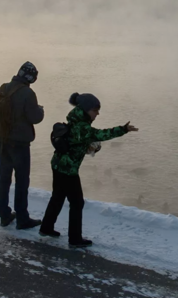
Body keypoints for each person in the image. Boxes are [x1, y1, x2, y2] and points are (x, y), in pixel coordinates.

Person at [40, 92, 138, 247]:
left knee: (57, 197)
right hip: (68, 169)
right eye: (95, 110)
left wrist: (88, 147)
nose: (97, 113)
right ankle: (75, 239)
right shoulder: (82, 127)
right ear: (86, 110)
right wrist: (123, 129)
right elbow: (101, 134)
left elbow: (79, 142)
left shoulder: (75, 121)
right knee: (77, 203)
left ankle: (46, 228)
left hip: (58, 164)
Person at [0, 61, 44, 229]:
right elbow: (35, 118)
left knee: (4, 179)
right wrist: (40, 110)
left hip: (1, 141)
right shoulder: (27, 93)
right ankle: (22, 219)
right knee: (22, 182)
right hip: (19, 144)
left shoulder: (2, 88)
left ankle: (4, 215)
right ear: (30, 78)